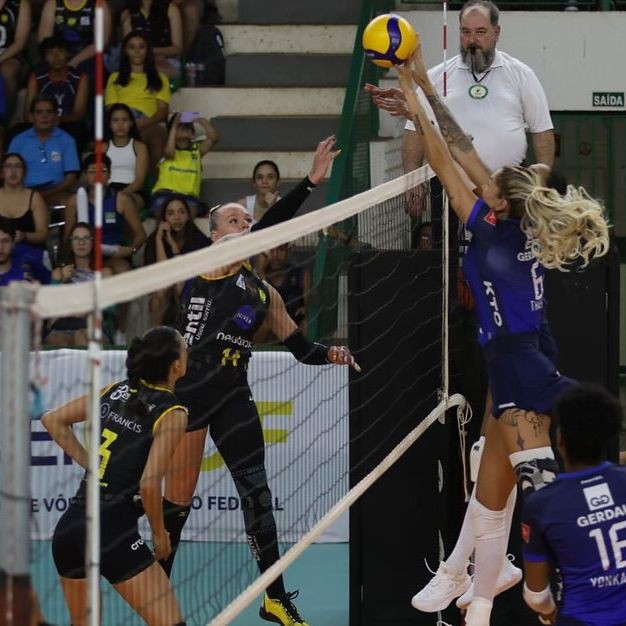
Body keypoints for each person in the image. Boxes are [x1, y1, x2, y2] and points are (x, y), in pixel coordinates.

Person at [395, 44, 609, 626]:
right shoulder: (512, 219)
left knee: (525, 493)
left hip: (519, 362)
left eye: (489, 186)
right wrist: (423, 87)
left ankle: (493, 593)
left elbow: (445, 160)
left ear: (501, 203)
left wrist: (414, 101)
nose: (482, 182)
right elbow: (462, 148)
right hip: (526, 348)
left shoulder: (490, 231)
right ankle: (459, 571)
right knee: (492, 471)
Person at [41, 326, 189, 626]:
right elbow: (149, 484)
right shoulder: (173, 412)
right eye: (186, 349)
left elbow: (52, 419)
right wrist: (159, 534)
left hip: (70, 530)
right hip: (111, 533)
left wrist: (91, 465)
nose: (189, 353)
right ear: (176, 365)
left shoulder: (116, 389)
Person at [522, 383, 626, 626]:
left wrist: (548, 614)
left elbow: (537, 596)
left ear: (560, 439)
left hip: (580, 619)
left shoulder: (542, 505)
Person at [64, 154, 146, 275]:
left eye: (103, 171)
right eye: (92, 171)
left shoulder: (122, 200)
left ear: (110, 174)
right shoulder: (75, 201)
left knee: (122, 270)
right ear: (85, 175)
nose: (97, 176)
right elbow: (67, 235)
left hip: (113, 255)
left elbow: (140, 235)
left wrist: (130, 250)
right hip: (83, 256)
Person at [105, 31, 171, 173]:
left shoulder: (160, 78)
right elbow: (111, 109)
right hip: (124, 121)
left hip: (150, 122)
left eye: (141, 47)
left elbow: (162, 112)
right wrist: (129, 123)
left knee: (157, 137)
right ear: (125, 51)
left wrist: (144, 123)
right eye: (132, 47)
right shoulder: (115, 78)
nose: (136, 51)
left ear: (147, 51)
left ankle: (157, 184)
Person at [143, 194, 209, 325]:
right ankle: (156, 334)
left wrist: (174, 247)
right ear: (164, 218)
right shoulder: (154, 240)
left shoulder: (198, 239)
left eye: (181, 212)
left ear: (188, 216)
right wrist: (159, 240)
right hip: (163, 285)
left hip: (190, 285)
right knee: (161, 291)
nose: (177, 217)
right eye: (171, 213)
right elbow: (161, 271)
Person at [45, 222, 113, 346]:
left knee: (82, 337)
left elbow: (112, 309)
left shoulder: (104, 273)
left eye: (86, 238)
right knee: (60, 340)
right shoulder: (59, 273)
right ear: (70, 243)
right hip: (62, 325)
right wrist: (61, 282)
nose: (81, 243)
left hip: (91, 323)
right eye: (76, 239)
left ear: (93, 242)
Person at [8, 94, 80, 207]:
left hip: (56, 192)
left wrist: (47, 193)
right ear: (32, 116)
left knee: (71, 203)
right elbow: (8, 172)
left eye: (49, 112)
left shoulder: (67, 140)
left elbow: (71, 178)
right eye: (39, 112)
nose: (44, 116)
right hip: (23, 192)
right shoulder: (18, 141)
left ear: (56, 116)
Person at [24, 35, 89, 153]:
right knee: (19, 130)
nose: (56, 57)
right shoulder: (36, 77)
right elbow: (28, 113)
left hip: (67, 124)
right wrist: (45, 122)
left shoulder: (79, 77)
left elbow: (79, 113)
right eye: (50, 53)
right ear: (44, 57)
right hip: (40, 124)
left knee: (78, 130)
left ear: (68, 54)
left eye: (60, 51)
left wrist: (57, 120)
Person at [150, 112, 218, 217]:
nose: (184, 128)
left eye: (188, 127)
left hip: (188, 197)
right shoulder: (165, 149)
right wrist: (175, 124)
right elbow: (169, 152)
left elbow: (214, 138)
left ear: (193, 133)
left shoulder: (197, 150)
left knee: (188, 211)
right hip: (165, 194)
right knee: (166, 209)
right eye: (180, 127)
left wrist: (202, 120)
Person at [0, 152, 51, 283]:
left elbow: (43, 233)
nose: (13, 171)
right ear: (2, 173)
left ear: (24, 172)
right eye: (8, 166)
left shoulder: (35, 197)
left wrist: (25, 236)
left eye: (18, 166)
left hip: (28, 253)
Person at [37, 0, 111, 74]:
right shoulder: (53, 3)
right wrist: (57, 58)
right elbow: (44, 41)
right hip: (57, 56)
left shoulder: (98, 4)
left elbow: (100, 44)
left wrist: (73, 63)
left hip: (87, 58)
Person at [121, 0, 183, 79]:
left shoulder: (171, 8)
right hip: (138, 58)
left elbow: (177, 48)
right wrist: (145, 54)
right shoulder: (128, 13)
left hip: (167, 59)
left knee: (162, 66)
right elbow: (128, 48)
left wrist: (153, 52)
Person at [105, 103, 150, 211]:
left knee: (122, 202)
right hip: (108, 189)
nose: (120, 125)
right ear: (110, 124)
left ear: (131, 123)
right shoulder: (102, 148)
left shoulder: (140, 147)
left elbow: (139, 180)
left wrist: (120, 195)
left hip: (133, 191)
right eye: (115, 120)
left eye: (124, 120)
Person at [0, 0, 31, 119]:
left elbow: (20, 43)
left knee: (7, 71)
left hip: (11, 56)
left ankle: (4, 121)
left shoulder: (20, 4)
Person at [237, 160, 282, 224]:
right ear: (254, 182)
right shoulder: (243, 206)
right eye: (260, 177)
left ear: (278, 182)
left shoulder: (285, 206)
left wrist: (272, 208)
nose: (264, 181)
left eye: (270, 177)